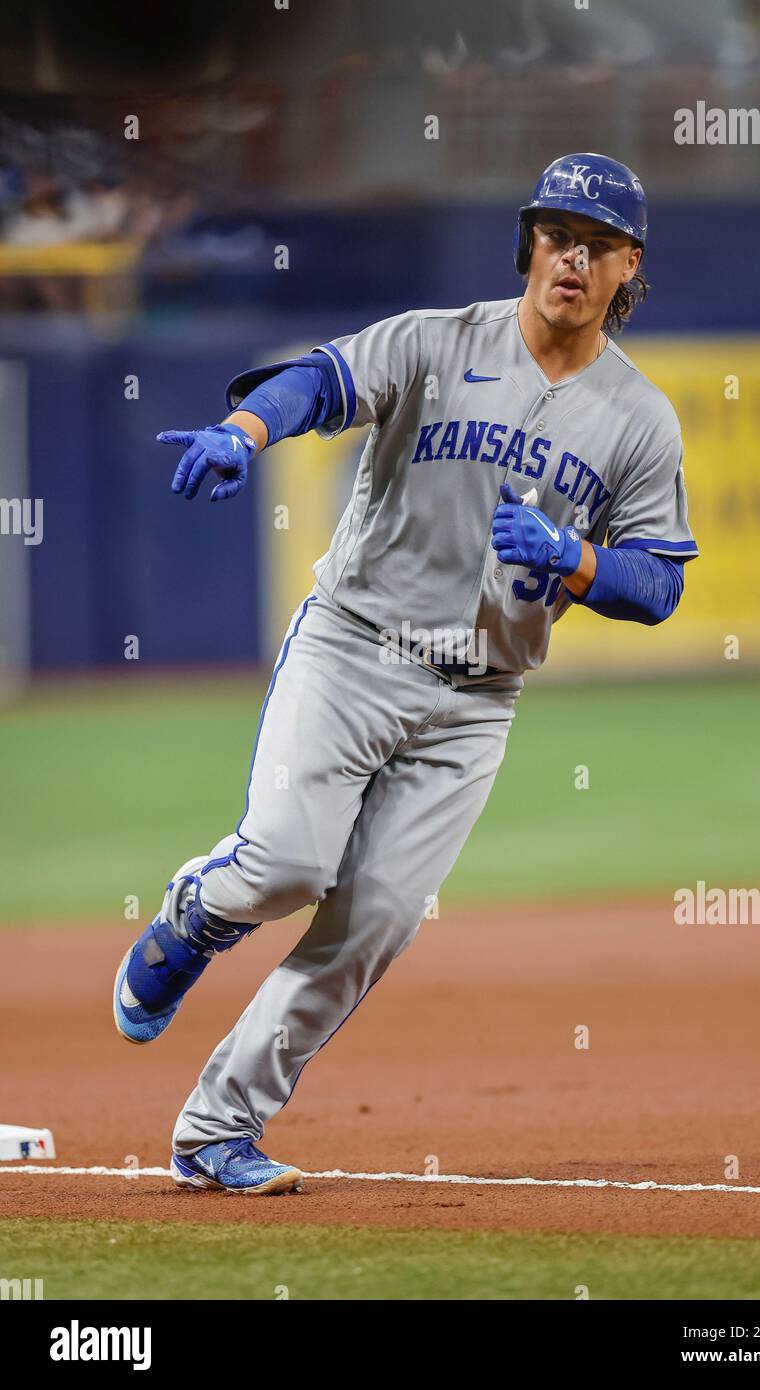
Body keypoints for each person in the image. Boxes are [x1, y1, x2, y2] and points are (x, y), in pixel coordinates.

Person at [113, 153, 698, 1196]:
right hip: (352, 646)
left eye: (595, 242)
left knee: (371, 923)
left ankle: (214, 1132)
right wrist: (246, 428)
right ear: (528, 243)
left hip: (475, 700)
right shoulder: (437, 342)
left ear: (627, 267)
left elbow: (655, 586)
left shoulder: (637, 420)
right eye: (556, 232)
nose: (571, 255)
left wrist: (575, 561)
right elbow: (318, 381)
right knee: (286, 867)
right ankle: (199, 909)